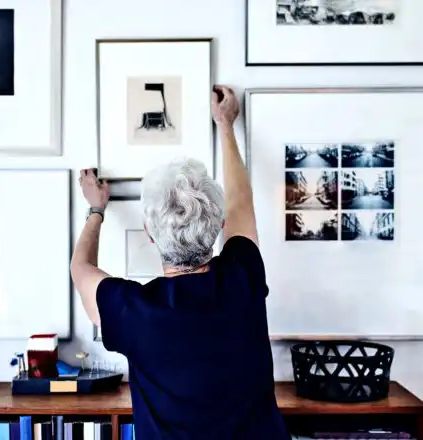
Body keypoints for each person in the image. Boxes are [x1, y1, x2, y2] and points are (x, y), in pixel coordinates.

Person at [71, 85, 288, 440]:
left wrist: (96, 209)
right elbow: (240, 202)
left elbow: (80, 269)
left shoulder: (132, 310)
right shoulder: (243, 275)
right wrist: (226, 125)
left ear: (149, 234)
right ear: (218, 228)